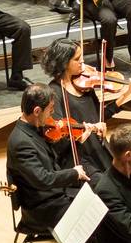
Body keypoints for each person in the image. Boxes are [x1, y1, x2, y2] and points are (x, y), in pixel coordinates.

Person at [5, 84, 100, 243]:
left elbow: (50, 159)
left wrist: (74, 139)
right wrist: (74, 174)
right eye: (50, 110)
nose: (52, 115)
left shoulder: (35, 130)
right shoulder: (21, 142)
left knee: (103, 206)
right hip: (41, 207)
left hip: (54, 196)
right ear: (36, 111)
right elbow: (43, 179)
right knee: (95, 222)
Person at [41, 38, 117, 177]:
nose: (83, 62)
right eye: (77, 59)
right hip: (79, 156)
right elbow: (59, 136)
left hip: (98, 148)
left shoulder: (84, 84)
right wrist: (86, 130)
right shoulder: (54, 93)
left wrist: (121, 101)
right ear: (64, 62)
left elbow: (98, 115)